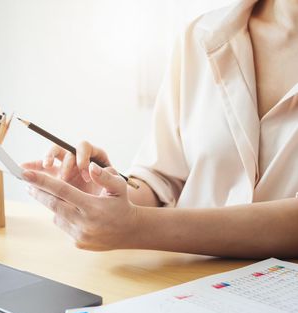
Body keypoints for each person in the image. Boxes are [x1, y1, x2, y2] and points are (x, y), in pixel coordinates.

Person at [21, 0, 298, 258]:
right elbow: (161, 177)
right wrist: (110, 192)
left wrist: (136, 226)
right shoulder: (200, 36)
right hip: (185, 285)